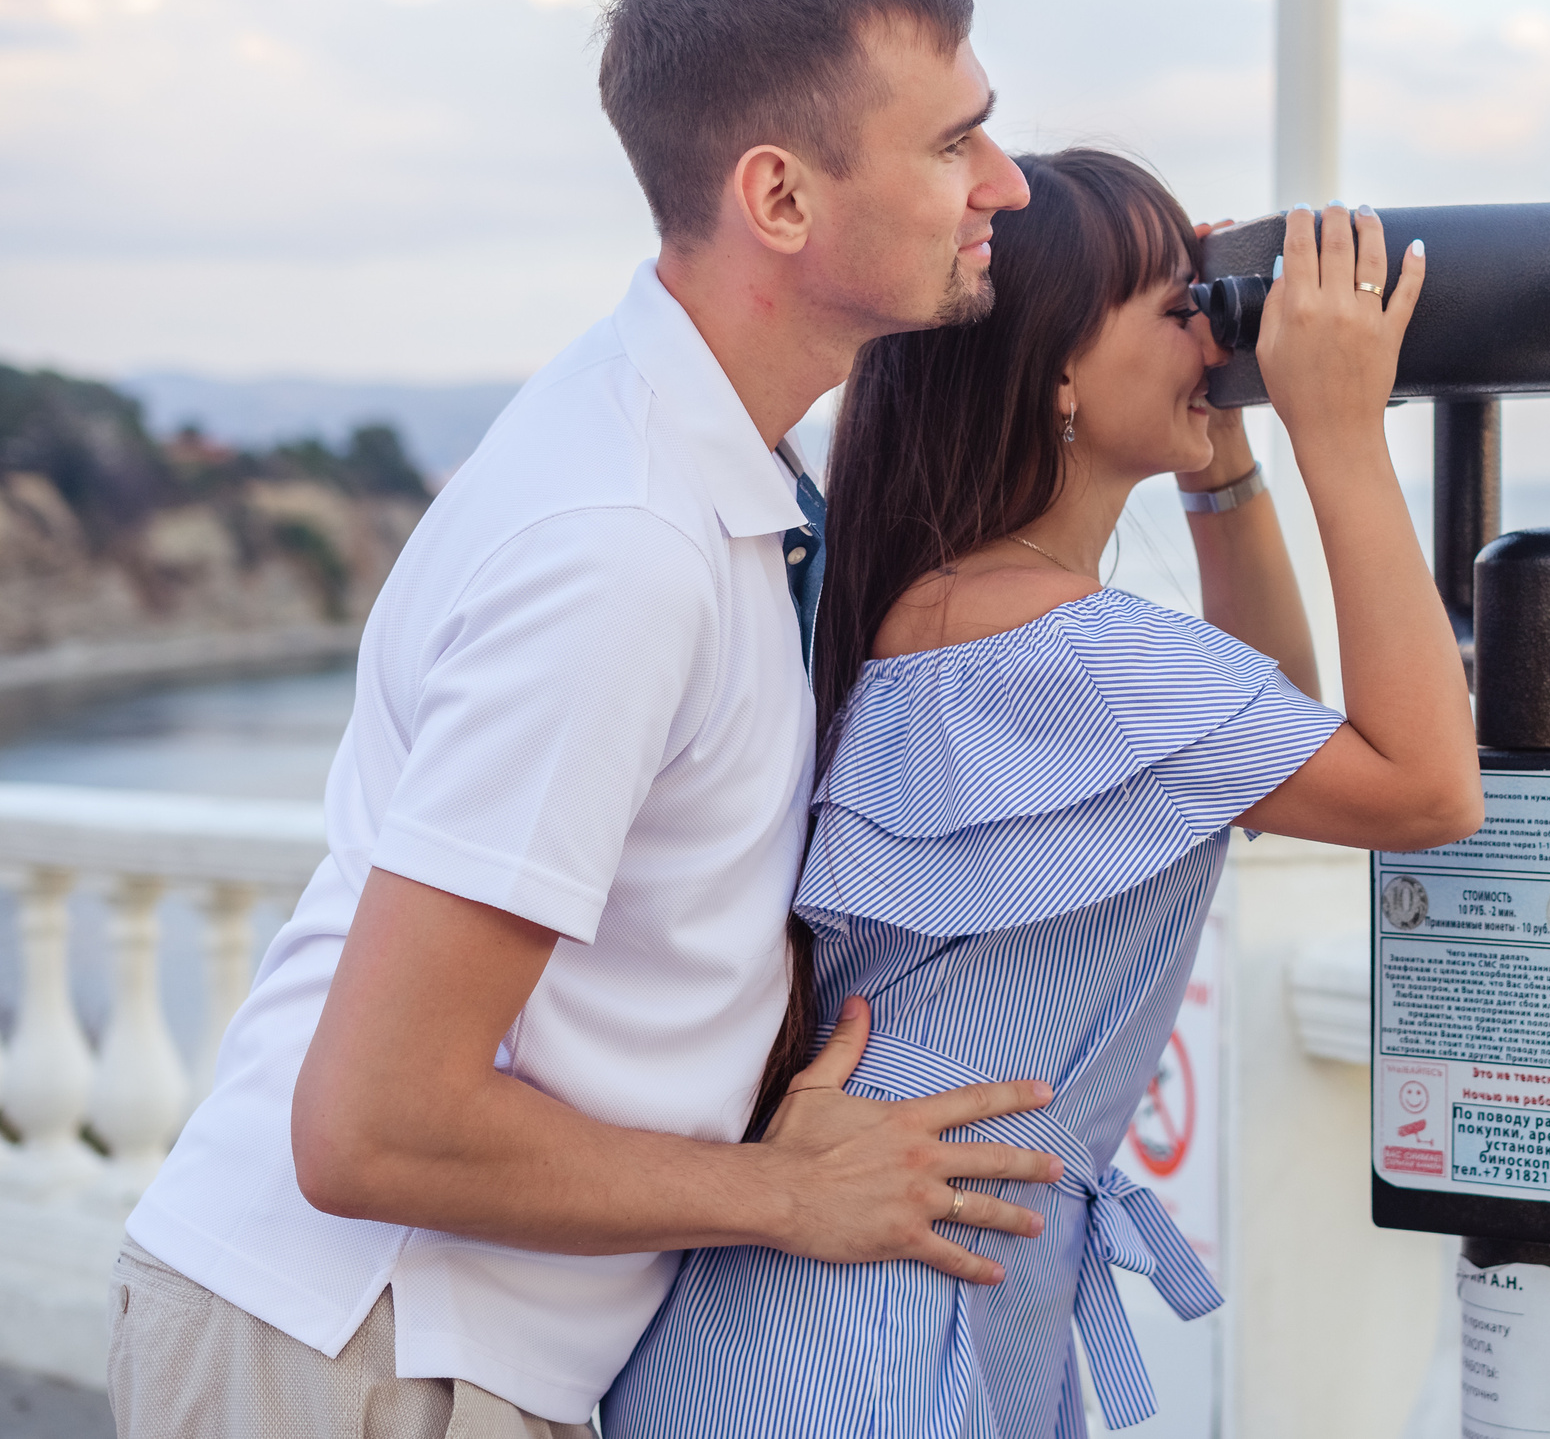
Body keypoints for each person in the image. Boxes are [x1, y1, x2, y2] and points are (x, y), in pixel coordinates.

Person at [108, 0, 1071, 1438]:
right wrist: (786, 1191)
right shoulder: (620, 544)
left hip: (421, 1343)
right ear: (779, 195)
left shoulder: (691, 465)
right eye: (956, 142)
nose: (1004, 183)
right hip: (368, 1347)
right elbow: (370, 1125)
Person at [604, 154, 1484, 1437]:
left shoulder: (936, 609)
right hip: (885, 1316)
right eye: (1179, 310)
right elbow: (1425, 790)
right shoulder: (1077, 653)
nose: (1214, 340)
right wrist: (1341, 434)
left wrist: (1225, 456)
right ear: (1059, 373)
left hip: (853, 1292)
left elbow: (1267, 741)